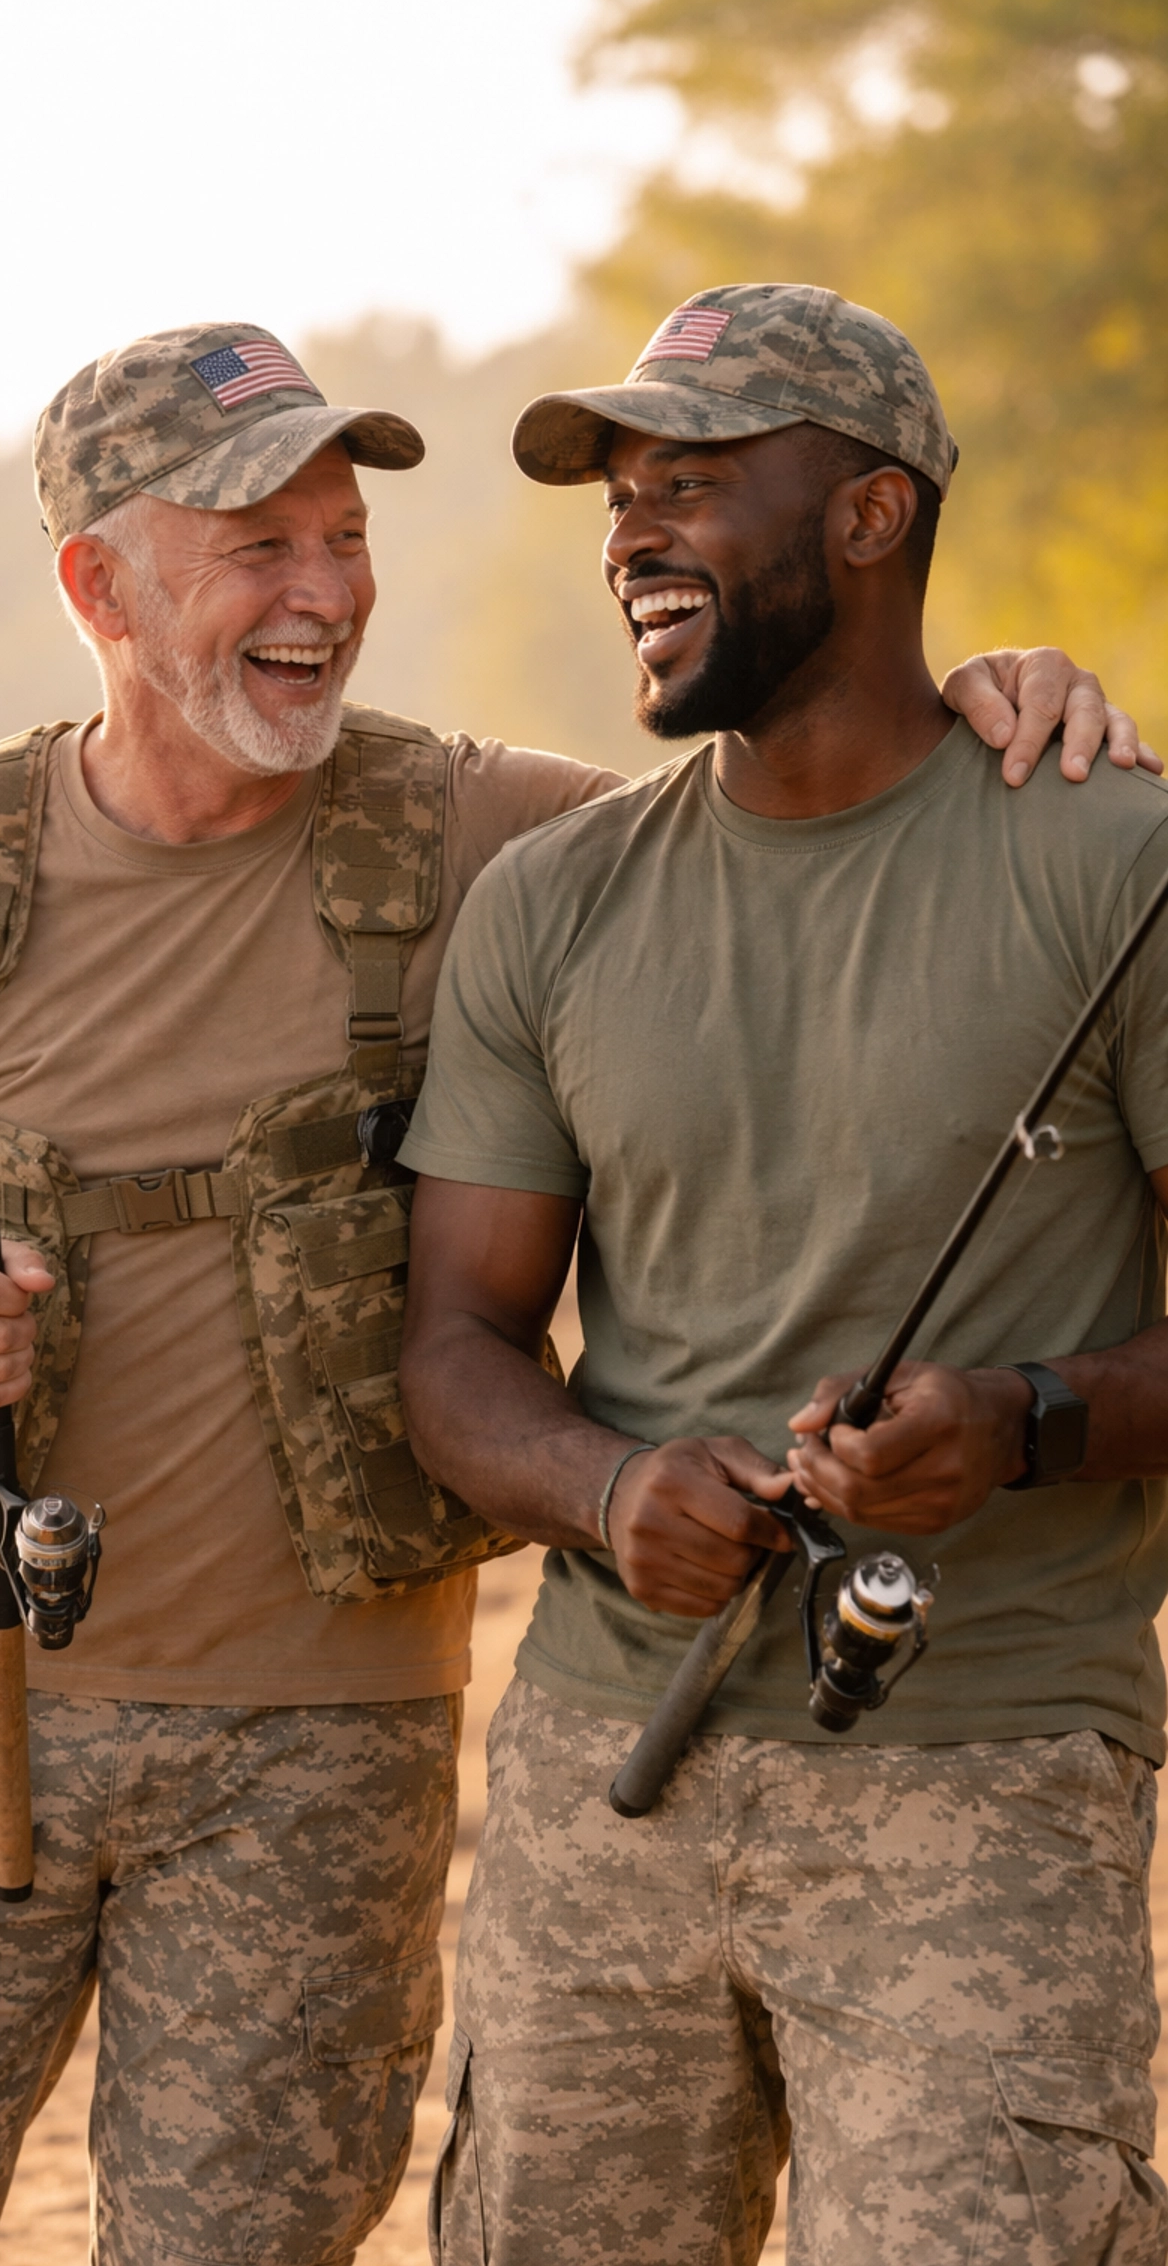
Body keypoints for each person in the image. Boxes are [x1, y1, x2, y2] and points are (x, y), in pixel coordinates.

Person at [0, 313, 1140, 2266]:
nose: (325, 595)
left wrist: (1001, 698)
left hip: (330, 1751)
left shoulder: (494, 832)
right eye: (261, 548)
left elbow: (800, 778)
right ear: (96, 585)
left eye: (346, 540)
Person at [397, 284, 1168, 2266]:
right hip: (599, 1777)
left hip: (994, 1784)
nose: (632, 530)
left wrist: (1025, 1424)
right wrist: (603, 1489)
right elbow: (458, 1342)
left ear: (870, 515)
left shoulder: (1115, 861)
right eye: (619, 493)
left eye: (694, 483)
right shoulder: (549, 902)